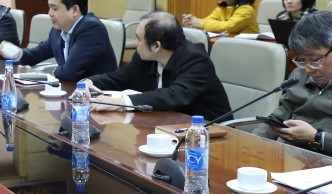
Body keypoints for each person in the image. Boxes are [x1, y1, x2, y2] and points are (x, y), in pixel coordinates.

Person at [83, 12, 232, 121]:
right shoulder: (145, 57)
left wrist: (123, 102)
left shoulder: (195, 60)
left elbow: (174, 95)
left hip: (209, 133)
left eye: (138, 39)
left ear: (156, 46)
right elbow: (120, 77)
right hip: (166, 125)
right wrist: (89, 82)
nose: (136, 44)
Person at [251, 11, 332, 160]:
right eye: (303, 60)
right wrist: (252, 144)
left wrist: (317, 137)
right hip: (287, 158)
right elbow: (280, 116)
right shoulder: (300, 74)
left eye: (315, 59)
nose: (309, 69)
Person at [0, 0, 116, 81]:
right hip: (72, 92)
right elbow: (36, 55)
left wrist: (48, 72)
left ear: (75, 10)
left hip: (99, 96)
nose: (50, 13)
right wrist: (17, 53)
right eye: (49, 7)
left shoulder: (91, 29)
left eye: (55, 8)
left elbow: (69, 72)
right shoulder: (58, 31)